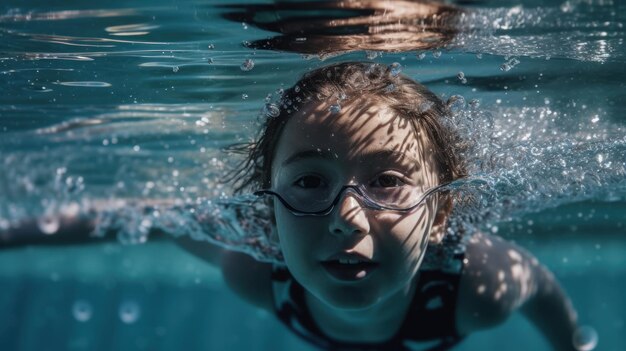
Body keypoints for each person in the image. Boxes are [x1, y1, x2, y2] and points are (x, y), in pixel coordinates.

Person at [1, 62, 582, 351]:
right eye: (307, 182)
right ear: (267, 215)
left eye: (387, 181)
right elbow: (140, 211)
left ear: (443, 214)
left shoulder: (478, 287)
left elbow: (544, 291)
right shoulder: (255, 270)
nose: (346, 216)